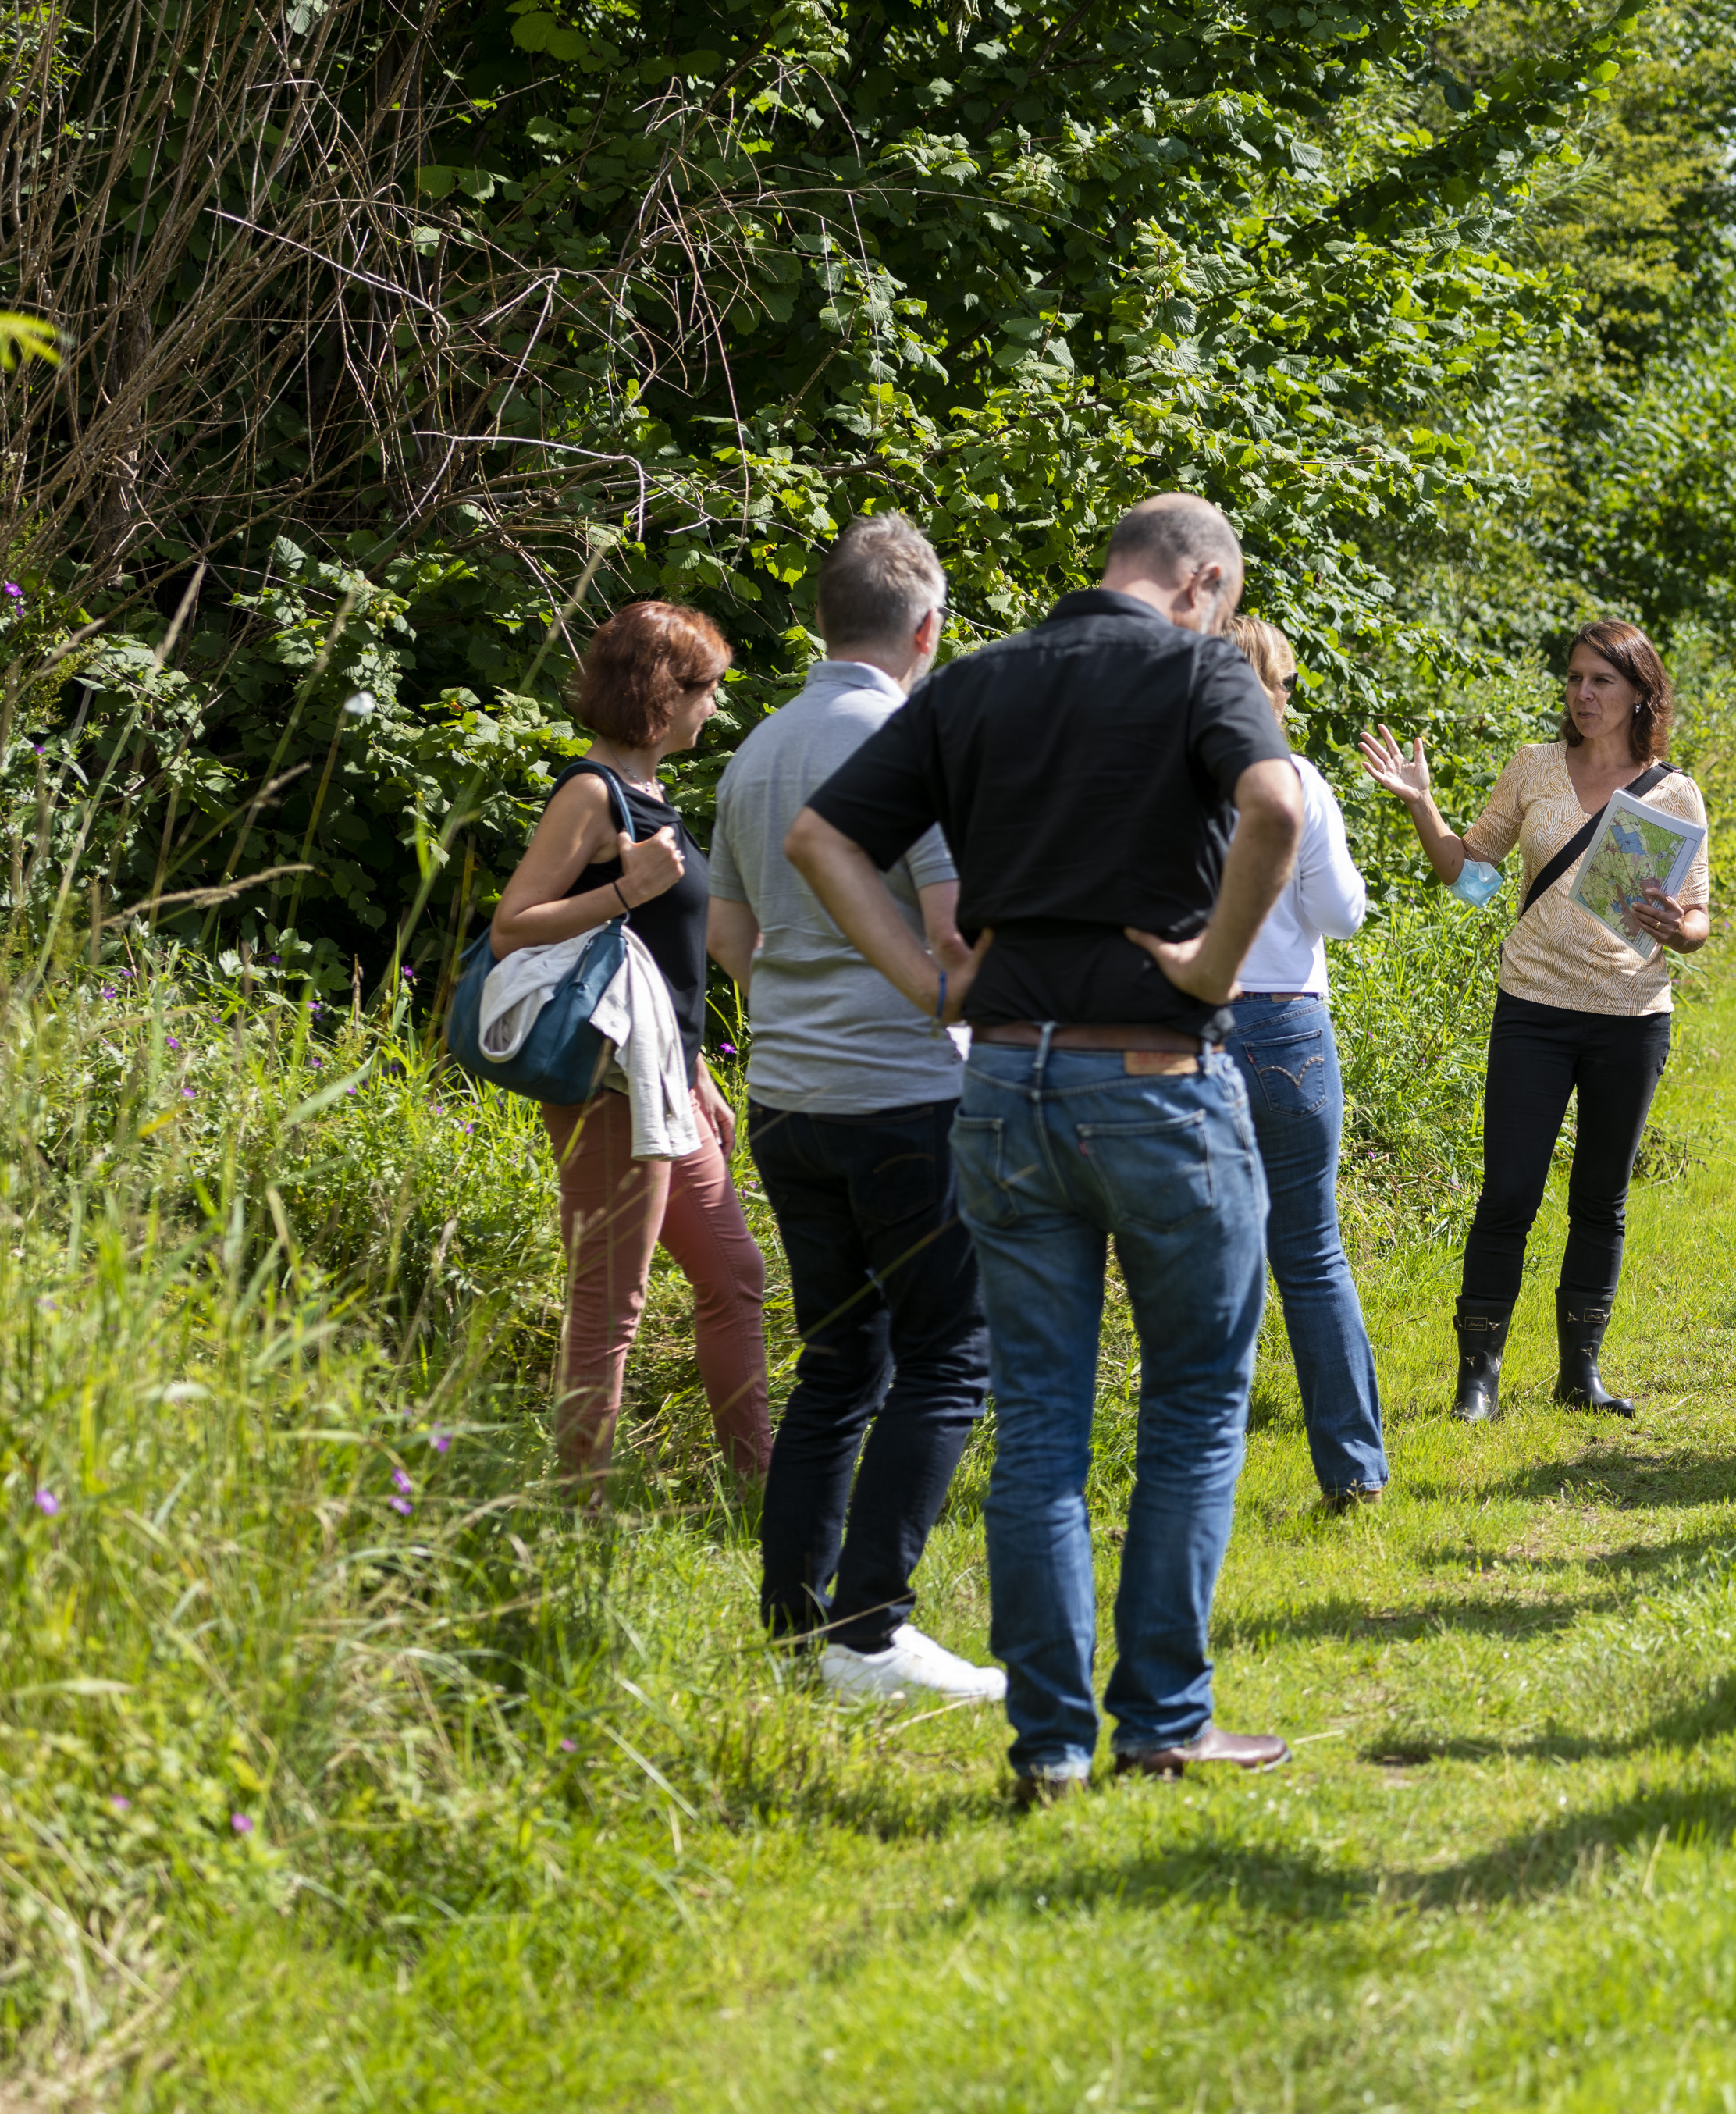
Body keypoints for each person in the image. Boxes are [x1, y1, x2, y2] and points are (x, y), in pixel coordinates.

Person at [784, 492, 1307, 1805]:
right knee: (1190, 1407)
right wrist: (1212, 962)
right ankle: (1162, 1722)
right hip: (1157, 1076)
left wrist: (927, 981)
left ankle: (1050, 1747)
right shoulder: (1196, 669)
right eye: (1226, 604)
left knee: (1041, 1432)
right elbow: (1277, 809)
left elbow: (817, 838)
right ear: (1201, 582)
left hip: (1006, 1082)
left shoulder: (971, 683)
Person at [706, 513, 1001, 1705]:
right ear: (928, 629)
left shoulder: (753, 750)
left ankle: (797, 1631)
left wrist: (798, 1004)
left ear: (821, 619)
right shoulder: (913, 743)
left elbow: (728, 937)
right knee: (947, 1359)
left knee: (837, 1363)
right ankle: (872, 1632)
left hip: (786, 1094)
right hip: (903, 1095)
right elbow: (951, 931)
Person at [1356, 621, 1710, 1422]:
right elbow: (1472, 881)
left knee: (1601, 1197)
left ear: (1640, 695)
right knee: (1509, 1190)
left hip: (1630, 1016)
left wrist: (1671, 926)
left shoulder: (1673, 793)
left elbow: (1697, 921)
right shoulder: (1535, 767)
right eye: (1576, 678)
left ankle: (1578, 1374)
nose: (1583, 694)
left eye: (1602, 682)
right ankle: (1475, 1379)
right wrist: (1423, 806)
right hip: (1535, 1010)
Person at [488, 599, 770, 1493]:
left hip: (664, 1081)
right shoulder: (589, 793)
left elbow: (663, 967)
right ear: (662, 692)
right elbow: (511, 930)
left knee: (735, 1275)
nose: (716, 707)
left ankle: (759, 1486)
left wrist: (696, 1075)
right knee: (612, 1306)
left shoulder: (652, 797)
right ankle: (579, 1513)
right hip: (605, 1085)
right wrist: (623, 890)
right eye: (707, 689)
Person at [1218, 612, 1389, 1513]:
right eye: (1283, 683)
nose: (1288, 698)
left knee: (1212, 1254)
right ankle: (1353, 1467)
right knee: (1312, 1250)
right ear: (1268, 689)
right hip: (1285, 1026)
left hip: (1190, 1030)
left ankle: (1201, 1474)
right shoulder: (1298, 781)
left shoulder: (1163, 778)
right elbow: (1343, 913)